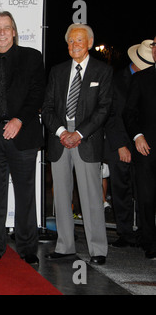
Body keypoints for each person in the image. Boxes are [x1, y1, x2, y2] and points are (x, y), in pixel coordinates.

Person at [0, 11, 45, 264]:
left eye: (6, 28)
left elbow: (37, 94)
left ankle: (27, 248)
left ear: (14, 31)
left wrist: (19, 119)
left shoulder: (32, 57)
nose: (1, 32)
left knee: (25, 193)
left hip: (22, 134)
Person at [42, 23, 113, 265]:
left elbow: (104, 109)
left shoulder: (102, 71)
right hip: (60, 139)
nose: (74, 45)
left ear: (90, 43)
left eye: (79, 41)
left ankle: (98, 249)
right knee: (61, 196)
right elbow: (48, 108)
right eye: (71, 41)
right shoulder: (58, 71)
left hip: (87, 140)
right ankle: (65, 246)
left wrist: (79, 133)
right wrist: (62, 132)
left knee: (92, 197)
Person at [105, 40, 155, 248]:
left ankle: (145, 233)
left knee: (143, 190)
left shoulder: (146, 79)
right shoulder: (117, 80)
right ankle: (125, 232)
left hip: (144, 145)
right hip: (122, 143)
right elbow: (112, 114)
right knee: (121, 189)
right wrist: (120, 145)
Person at [123, 35, 156, 260]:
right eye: (155, 45)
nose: (155, 49)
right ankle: (150, 242)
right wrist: (137, 135)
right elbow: (129, 113)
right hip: (147, 150)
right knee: (146, 198)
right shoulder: (141, 79)